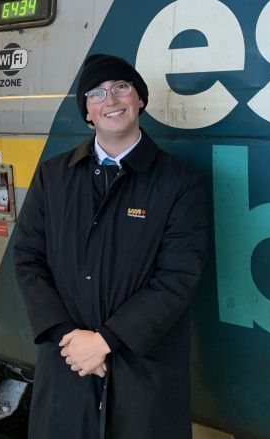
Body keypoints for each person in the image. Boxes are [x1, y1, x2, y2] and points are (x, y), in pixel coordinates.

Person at [14, 54, 209, 438]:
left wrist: (106, 341)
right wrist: (67, 338)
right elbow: (28, 259)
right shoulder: (54, 176)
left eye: (122, 87)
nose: (111, 100)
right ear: (87, 112)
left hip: (143, 368)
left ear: (140, 99)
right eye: (97, 93)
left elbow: (177, 279)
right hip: (67, 363)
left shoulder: (179, 184)